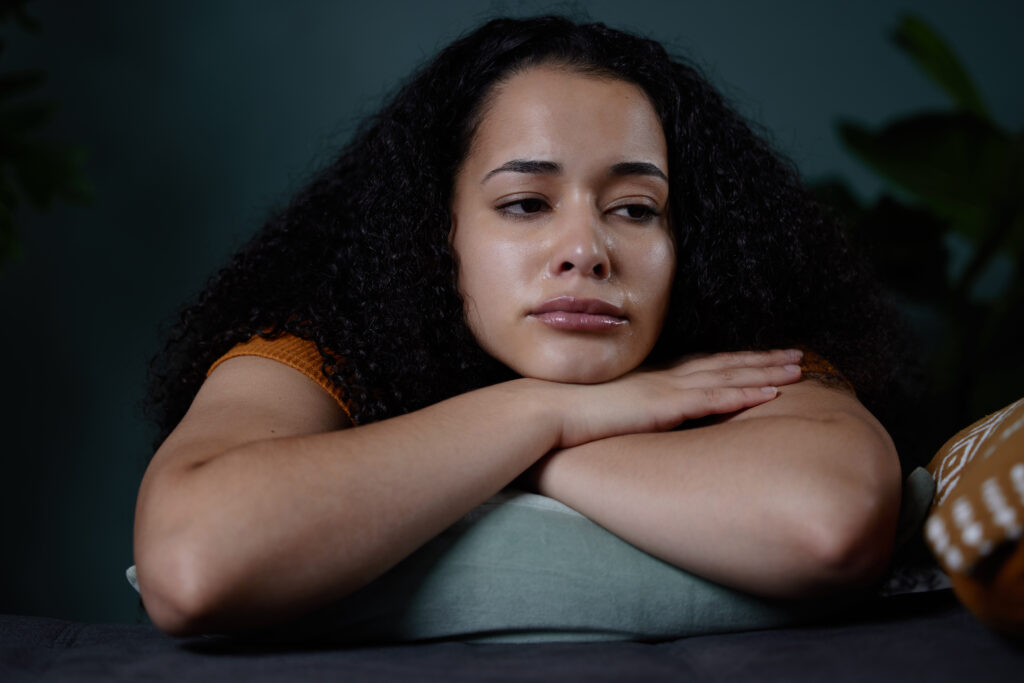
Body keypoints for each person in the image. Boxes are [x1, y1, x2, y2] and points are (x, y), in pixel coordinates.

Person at [134, 16, 906, 637]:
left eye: (635, 209)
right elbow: (195, 563)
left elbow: (827, 525)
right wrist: (542, 411)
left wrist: (532, 452)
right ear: (436, 231)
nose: (586, 251)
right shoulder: (322, 347)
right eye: (526, 204)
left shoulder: (740, 353)